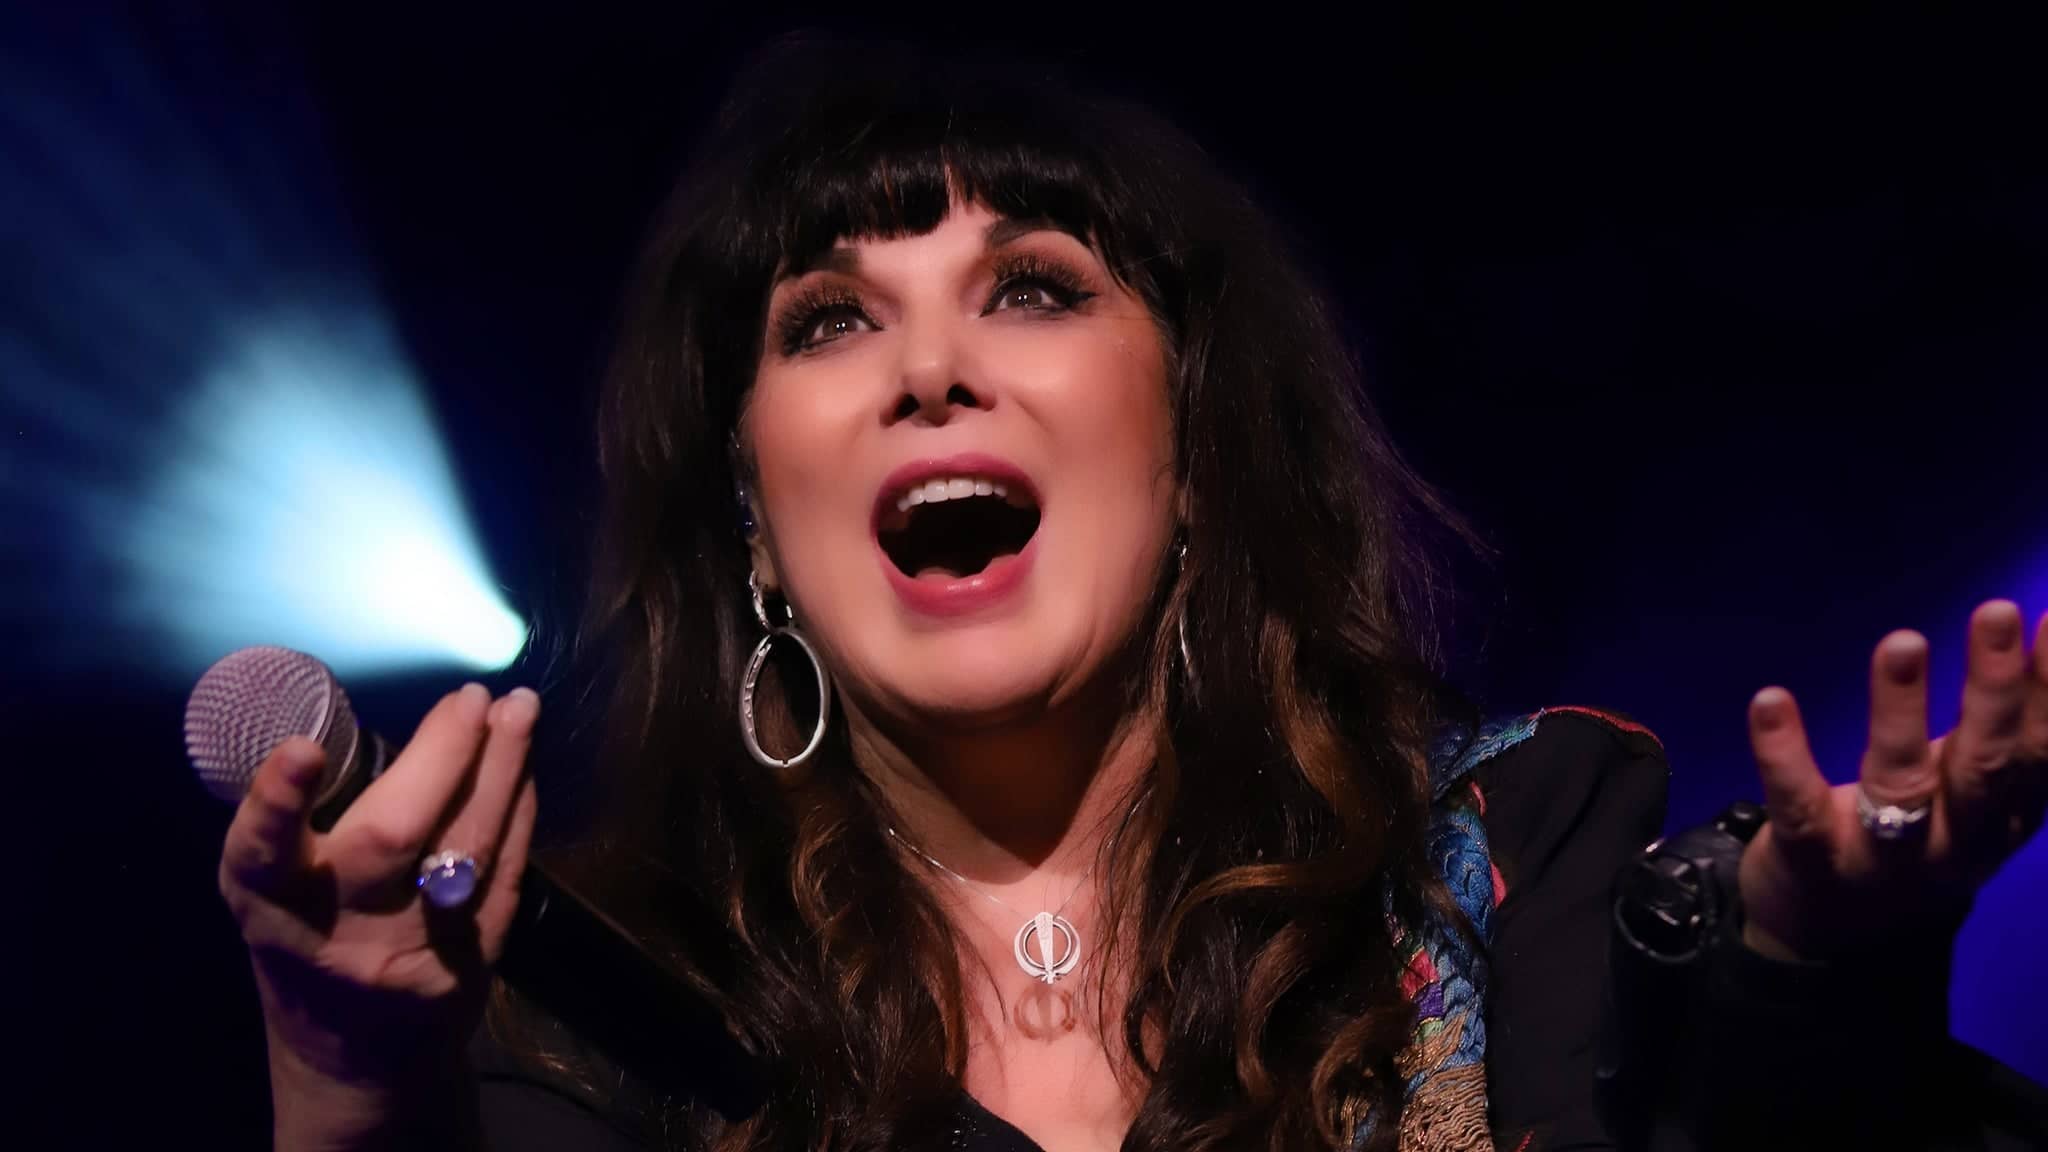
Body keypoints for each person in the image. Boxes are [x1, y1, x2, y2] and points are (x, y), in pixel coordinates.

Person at [215, 35, 2048, 1152]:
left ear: (1195, 458)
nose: (928, 371)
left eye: (1030, 289)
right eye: (831, 320)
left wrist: (1812, 973)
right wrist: (348, 1094)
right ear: (758, 526)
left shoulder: (1508, 856)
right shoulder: (606, 1016)